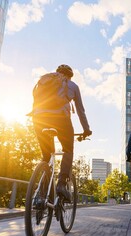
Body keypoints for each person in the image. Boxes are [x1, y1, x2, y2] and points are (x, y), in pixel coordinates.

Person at [32, 64, 92, 201]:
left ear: (57, 72)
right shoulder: (73, 85)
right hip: (60, 119)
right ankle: (61, 184)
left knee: (46, 156)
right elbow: (80, 111)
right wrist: (86, 130)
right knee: (67, 150)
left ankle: (39, 194)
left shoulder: (45, 80)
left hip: (39, 119)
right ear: (70, 76)